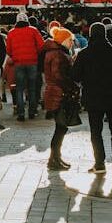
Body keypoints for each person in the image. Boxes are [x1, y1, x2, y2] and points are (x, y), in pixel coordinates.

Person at [72, 22, 112, 174]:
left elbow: (75, 75)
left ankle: (99, 163)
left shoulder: (84, 53)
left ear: (91, 34)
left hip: (93, 97)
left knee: (95, 131)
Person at [42, 27, 77, 171]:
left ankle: (56, 158)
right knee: (61, 128)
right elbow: (58, 76)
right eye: (70, 40)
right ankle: (53, 159)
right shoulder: (58, 54)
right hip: (58, 93)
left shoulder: (56, 52)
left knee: (61, 127)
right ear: (63, 40)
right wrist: (72, 85)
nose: (72, 43)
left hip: (55, 92)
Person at [4, 12, 45, 121]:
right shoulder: (33, 30)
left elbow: (8, 50)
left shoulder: (11, 33)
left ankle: (21, 113)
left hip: (18, 63)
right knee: (32, 88)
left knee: (19, 89)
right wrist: (34, 54)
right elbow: (41, 45)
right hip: (32, 63)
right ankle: (32, 112)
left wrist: (15, 56)